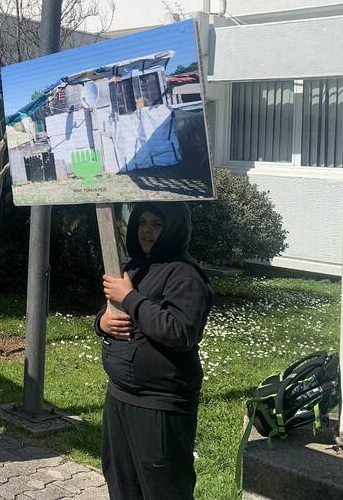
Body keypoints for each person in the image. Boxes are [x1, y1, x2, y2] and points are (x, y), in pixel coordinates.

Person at [95, 202, 213, 500]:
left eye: (157, 224)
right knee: (122, 484)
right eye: (143, 222)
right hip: (120, 394)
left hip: (159, 404)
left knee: (162, 489)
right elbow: (113, 309)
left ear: (173, 228)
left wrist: (130, 297)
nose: (147, 230)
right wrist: (102, 322)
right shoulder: (136, 266)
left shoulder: (186, 275)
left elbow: (179, 331)